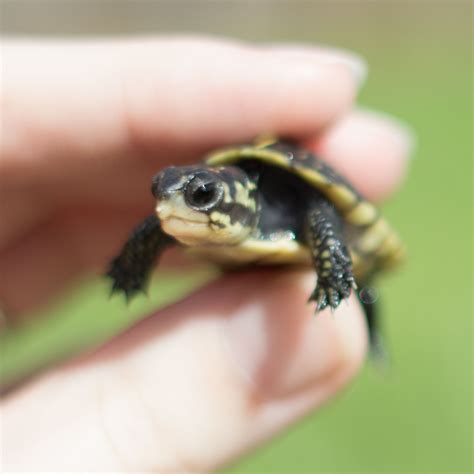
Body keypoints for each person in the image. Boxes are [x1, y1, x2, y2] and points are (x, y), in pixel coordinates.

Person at [0, 37, 413, 471]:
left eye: (200, 195)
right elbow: (156, 226)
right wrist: (131, 265)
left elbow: (321, 209)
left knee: (363, 290)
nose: (170, 207)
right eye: (163, 193)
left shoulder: (290, 202)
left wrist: (333, 271)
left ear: (236, 196)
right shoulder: (178, 218)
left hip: (320, 236)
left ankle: (372, 332)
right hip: (245, 252)